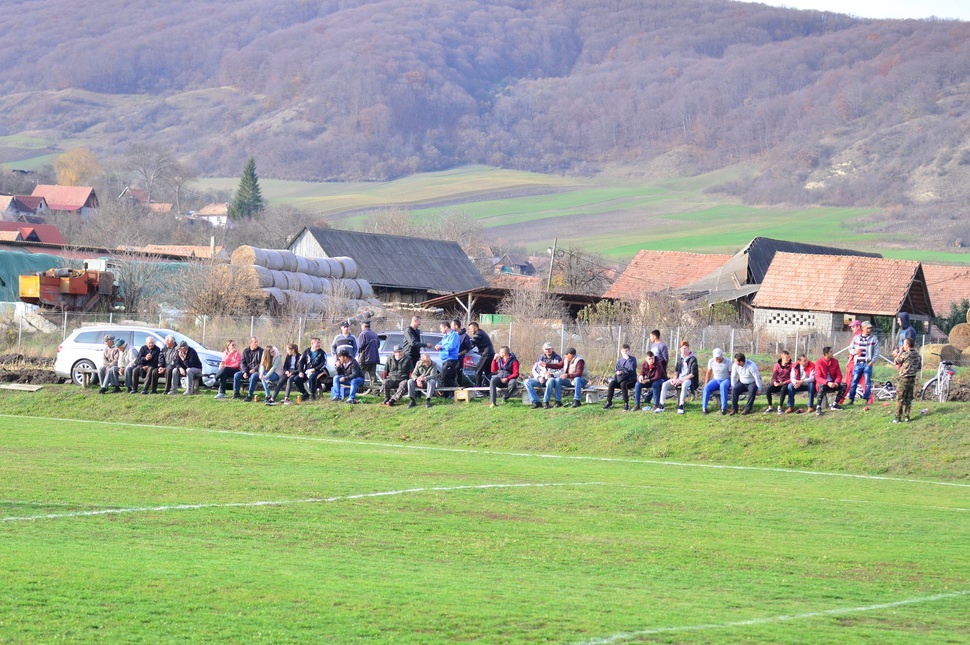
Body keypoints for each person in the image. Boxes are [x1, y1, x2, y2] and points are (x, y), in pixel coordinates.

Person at [656, 340, 698, 414]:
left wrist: (682, 380)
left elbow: (692, 374)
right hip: (679, 378)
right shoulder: (679, 358)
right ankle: (661, 405)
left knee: (684, 385)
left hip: (688, 379)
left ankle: (681, 406)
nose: (683, 350)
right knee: (664, 384)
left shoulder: (693, 359)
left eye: (685, 348)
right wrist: (675, 378)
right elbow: (676, 370)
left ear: (688, 348)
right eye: (682, 348)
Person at [848, 321, 879, 405]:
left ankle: (867, 399)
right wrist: (855, 352)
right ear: (863, 328)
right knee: (854, 382)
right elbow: (850, 348)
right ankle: (851, 399)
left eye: (870, 328)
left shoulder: (873, 339)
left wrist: (872, 361)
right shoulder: (856, 338)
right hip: (858, 363)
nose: (869, 330)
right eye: (867, 328)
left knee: (867, 383)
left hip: (867, 363)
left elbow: (877, 352)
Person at [524, 342, 564, 409]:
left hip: (552, 379)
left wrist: (552, 374)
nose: (547, 350)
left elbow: (561, 371)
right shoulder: (540, 358)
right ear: (543, 349)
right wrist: (539, 377)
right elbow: (534, 369)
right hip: (541, 379)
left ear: (552, 349)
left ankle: (546, 402)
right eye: (546, 349)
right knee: (527, 382)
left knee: (550, 380)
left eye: (549, 349)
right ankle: (536, 402)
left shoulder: (558, 358)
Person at [893, 337, 921, 423]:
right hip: (912, 378)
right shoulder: (917, 355)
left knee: (900, 398)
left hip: (904, 378)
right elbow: (919, 367)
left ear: (907, 345)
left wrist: (900, 352)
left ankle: (898, 418)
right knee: (908, 399)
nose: (903, 346)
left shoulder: (906, 354)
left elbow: (896, 361)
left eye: (904, 344)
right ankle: (907, 417)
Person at [813, 346, 846, 415]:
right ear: (826, 354)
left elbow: (839, 374)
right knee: (822, 386)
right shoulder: (819, 362)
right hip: (824, 384)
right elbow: (817, 377)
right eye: (831, 352)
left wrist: (836, 382)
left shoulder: (835, 361)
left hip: (833, 383)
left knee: (844, 385)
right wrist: (827, 383)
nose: (832, 353)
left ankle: (835, 404)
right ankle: (818, 407)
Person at [603, 344, 636, 411]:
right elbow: (616, 369)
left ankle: (626, 403)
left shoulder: (633, 359)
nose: (625, 352)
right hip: (620, 378)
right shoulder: (620, 360)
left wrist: (628, 359)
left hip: (630, 379)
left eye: (626, 351)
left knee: (623, 384)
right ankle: (609, 402)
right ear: (621, 351)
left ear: (629, 351)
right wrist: (617, 372)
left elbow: (632, 368)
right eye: (623, 351)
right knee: (612, 384)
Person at [838, 320, 863, 405]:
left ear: (858, 327)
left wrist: (849, 361)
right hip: (862, 362)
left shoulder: (857, 336)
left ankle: (840, 400)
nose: (851, 328)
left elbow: (854, 351)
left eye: (853, 327)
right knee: (863, 381)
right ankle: (870, 399)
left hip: (854, 362)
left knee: (847, 382)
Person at [701, 348, 731, 415]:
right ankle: (704, 408)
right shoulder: (711, 361)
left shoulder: (728, 361)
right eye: (716, 357)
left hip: (725, 379)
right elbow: (708, 373)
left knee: (723, 386)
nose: (718, 359)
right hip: (716, 379)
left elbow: (731, 373)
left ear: (722, 355)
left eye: (719, 357)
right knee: (707, 387)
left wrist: (732, 383)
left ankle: (724, 408)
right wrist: (706, 383)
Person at [233, 337, 264, 401]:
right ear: (250, 343)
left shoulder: (261, 351)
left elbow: (262, 363)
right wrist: (244, 372)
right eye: (255, 342)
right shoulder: (246, 351)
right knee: (236, 375)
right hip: (247, 370)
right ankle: (236, 393)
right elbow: (242, 363)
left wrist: (255, 369)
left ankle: (249, 395)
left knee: (253, 376)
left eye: (257, 342)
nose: (256, 343)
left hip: (257, 371)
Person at [434, 321, 461, 393]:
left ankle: (456, 392)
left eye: (441, 328)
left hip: (451, 359)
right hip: (444, 359)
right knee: (448, 377)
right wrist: (437, 345)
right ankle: (446, 395)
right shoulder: (445, 336)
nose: (440, 330)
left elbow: (451, 346)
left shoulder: (454, 335)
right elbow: (441, 343)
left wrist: (441, 347)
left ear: (446, 327)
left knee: (445, 376)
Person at [467, 321, 495, 387]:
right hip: (490, 353)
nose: (470, 331)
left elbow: (471, 343)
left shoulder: (479, 334)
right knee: (487, 373)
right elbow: (473, 345)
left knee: (478, 371)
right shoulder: (481, 333)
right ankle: (488, 388)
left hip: (486, 354)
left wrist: (463, 348)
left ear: (476, 328)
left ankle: (478, 389)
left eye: (471, 329)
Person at [356, 320, 381, 388]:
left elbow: (359, 346)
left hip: (365, 359)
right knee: (373, 377)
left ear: (364, 326)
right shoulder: (374, 334)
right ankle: (375, 390)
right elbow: (378, 345)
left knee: (360, 374)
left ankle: (359, 389)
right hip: (374, 359)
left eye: (361, 325)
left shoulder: (363, 334)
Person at [452, 319, 474, 385]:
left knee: (458, 376)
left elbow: (467, 348)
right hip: (451, 359)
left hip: (459, 359)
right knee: (451, 376)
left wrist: (459, 354)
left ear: (456, 326)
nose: (451, 327)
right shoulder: (451, 335)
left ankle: (458, 388)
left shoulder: (464, 336)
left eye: (452, 325)